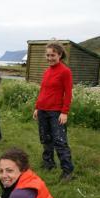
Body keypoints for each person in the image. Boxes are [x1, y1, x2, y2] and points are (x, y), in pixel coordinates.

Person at [33, 41, 74, 182]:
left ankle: (67, 171)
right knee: (45, 139)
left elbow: (68, 94)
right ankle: (48, 164)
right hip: (43, 111)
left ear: (60, 55)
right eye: (48, 55)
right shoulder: (47, 71)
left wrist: (65, 112)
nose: (50, 58)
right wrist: (37, 107)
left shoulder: (65, 71)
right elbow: (43, 91)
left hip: (56, 112)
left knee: (60, 141)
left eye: (53, 55)